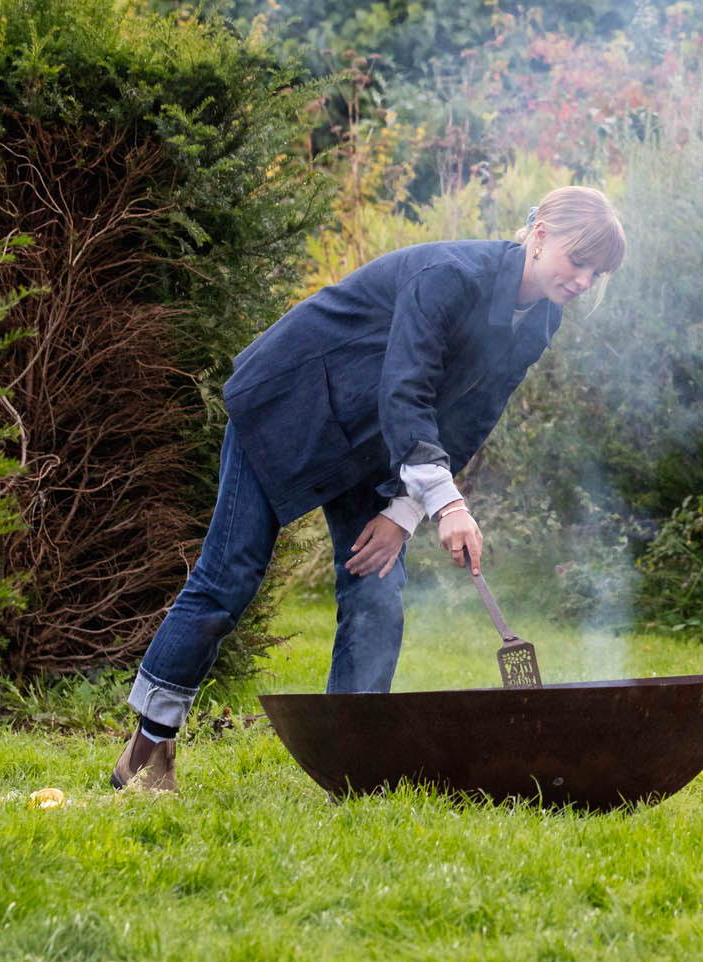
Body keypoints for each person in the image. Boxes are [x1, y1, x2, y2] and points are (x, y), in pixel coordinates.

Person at [109, 186, 626, 793]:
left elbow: (470, 417)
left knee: (378, 587)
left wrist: (405, 512)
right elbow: (406, 388)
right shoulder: (449, 277)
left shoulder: (540, 318)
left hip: (374, 440)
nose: (585, 280)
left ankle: (352, 766)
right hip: (290, 407)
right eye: (578, 259)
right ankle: (150, 745)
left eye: (598, 272)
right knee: (230, 578)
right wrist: (448, 504)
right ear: (539, 236)